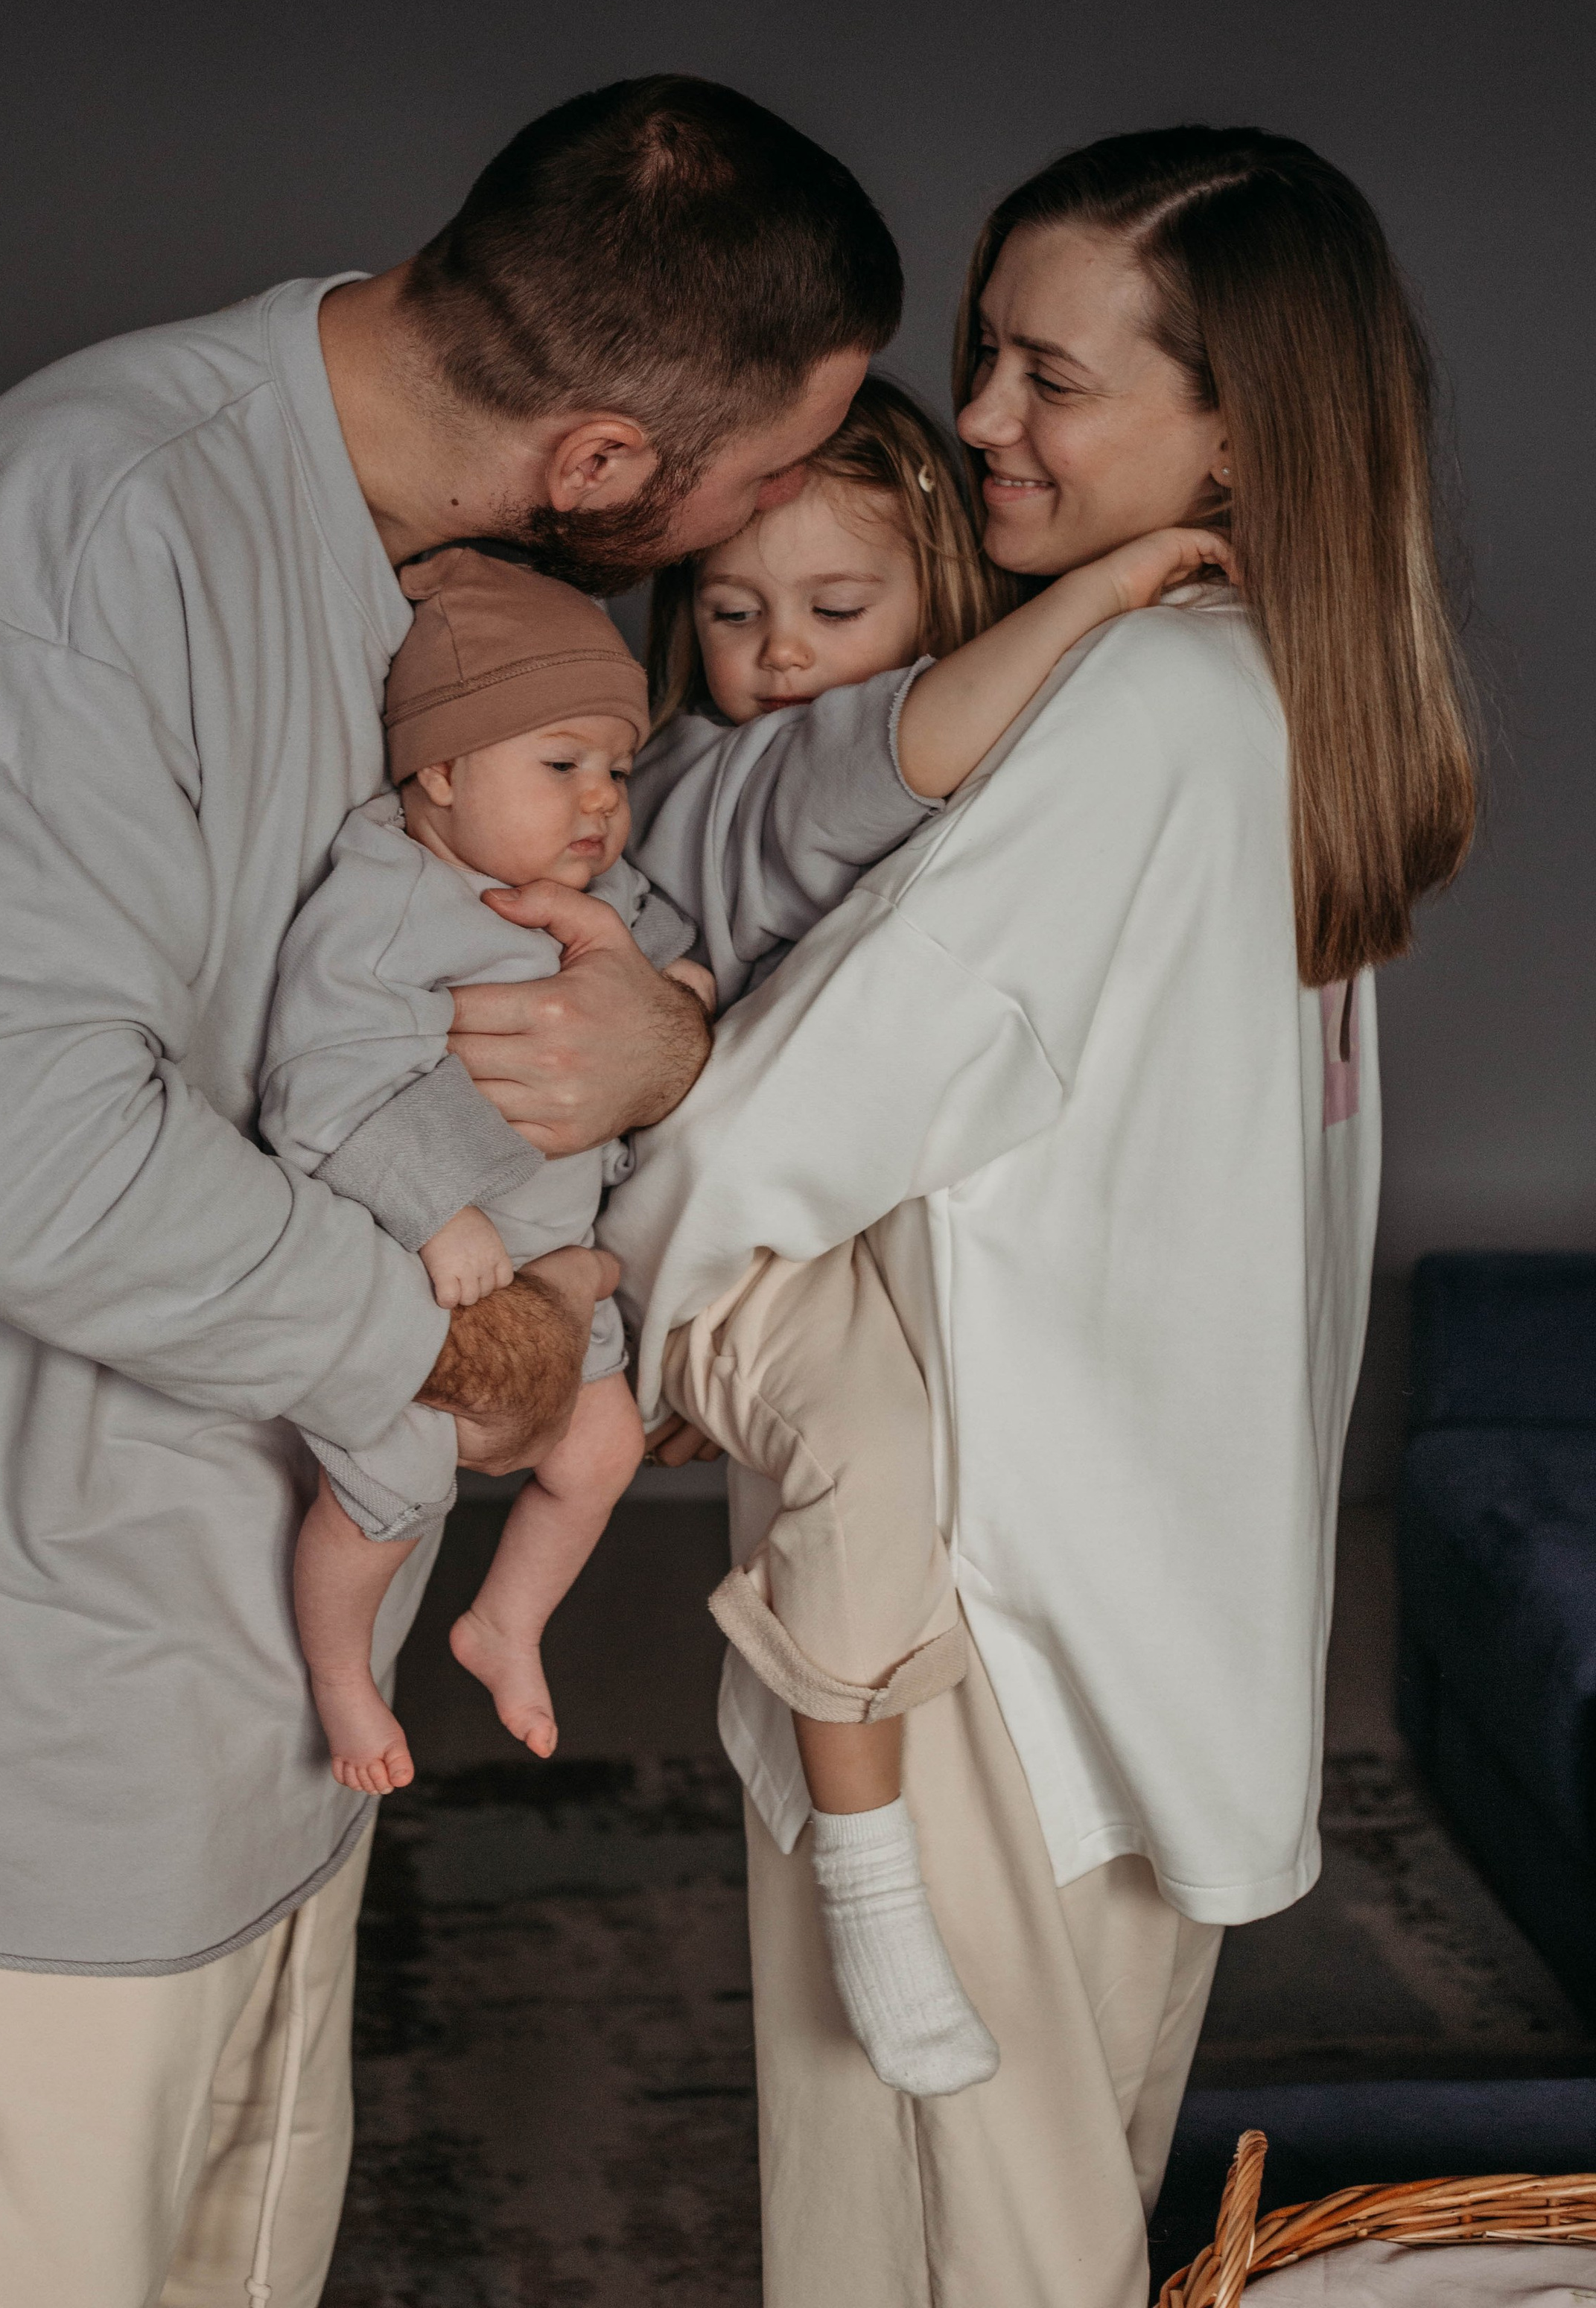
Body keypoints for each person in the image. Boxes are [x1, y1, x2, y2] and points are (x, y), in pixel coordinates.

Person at [0, 74, 908, 2308]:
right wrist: (488, 1374)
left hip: (266, 1642)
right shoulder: (93, 530)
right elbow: (5, 1143)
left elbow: (439, 974)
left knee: (241, 2255)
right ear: (609, 464)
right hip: (40, 1667)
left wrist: (671, 1039)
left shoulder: (430, 569)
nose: (787, 516)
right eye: (769, 470)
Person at [607, 127, 1478, 2308]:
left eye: (1046, 376)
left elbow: (812, 1103)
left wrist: (628, 1314)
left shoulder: (1138, 711)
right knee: (1046, 2211)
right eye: (986, 359)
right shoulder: (1289, 695)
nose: (977, 416)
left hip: (979, 1604)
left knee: (928, 2247)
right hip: (1165, 1589)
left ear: (1236, 425)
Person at [267, 453, 1221, 1808]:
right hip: (578, 1225)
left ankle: (507, 1623)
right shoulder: (722, 780)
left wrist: (681, 1003)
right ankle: (851, 1843)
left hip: (622, 1229)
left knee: (607, 1458)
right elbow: (883, 753)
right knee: (843, 1471)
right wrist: (1103, 590)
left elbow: (675, 958)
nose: (781, 653)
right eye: (732, 615)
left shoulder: (613, 822)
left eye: (837, 609)